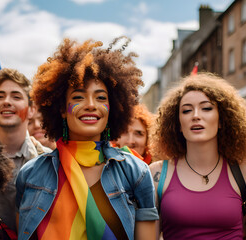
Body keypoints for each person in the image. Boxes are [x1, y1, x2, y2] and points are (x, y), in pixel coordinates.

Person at [16, 37, 158, 240]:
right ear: (62, 109)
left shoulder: (136, 173)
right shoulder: (30, 174)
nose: (91, 105)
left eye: (101, 97)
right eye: (78, 97)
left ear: (113, 108)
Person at [149, 73, 246, 239]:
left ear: (222, 120)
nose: (195, 116)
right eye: (186, 110)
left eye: (206, 108)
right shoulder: (156, 175)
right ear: (178, 123)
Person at [0, 68, 52, 231]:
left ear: (31, 110)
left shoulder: (48, 161)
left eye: (16, 97)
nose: (6, 101)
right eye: (0, 96)